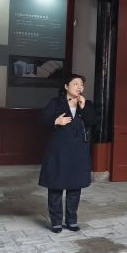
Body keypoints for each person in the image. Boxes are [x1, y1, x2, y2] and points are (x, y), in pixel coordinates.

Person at [39, 74, 95, 233]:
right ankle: (56, 222)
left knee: (75, 187)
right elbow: (42, 119)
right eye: (75, 83)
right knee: (56, 186)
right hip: (59, 151)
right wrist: (56, 121)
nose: (79, 86)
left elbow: (92, 122)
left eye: (81, 84)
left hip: (79, 151)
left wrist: (83, 107)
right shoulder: (56, 102)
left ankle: (71, 221)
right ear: (66, 86)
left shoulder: (86, 104)